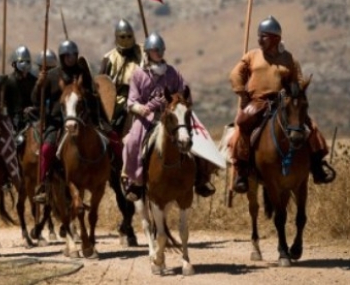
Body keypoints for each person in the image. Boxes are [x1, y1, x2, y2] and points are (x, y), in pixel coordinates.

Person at [229, 16, 334, 193]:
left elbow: (298, 81)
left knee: (310, 127)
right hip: (257, 102)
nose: (259, 39)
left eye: (264, 36)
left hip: (283, 102)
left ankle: (317, 166)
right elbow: (235, 73)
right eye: (259, 36)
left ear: (275, 38)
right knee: (242, 124)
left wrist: (294, 92)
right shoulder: (252, 56)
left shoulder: (288, 59)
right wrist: (242, 92)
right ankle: (242, 170)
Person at [121, 33, 215, 201]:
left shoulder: (172, 73)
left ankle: (202, 178)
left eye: (161, 49)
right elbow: (131, 102)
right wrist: (149, 106)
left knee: (199, 136)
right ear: (148, 51)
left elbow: (185, 92)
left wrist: (174, 101)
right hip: (148, 118)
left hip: (173, 117)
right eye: (156, 50)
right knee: (131, 141)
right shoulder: (138, 74)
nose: (159, 52)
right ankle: (136, 181)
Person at [31, 40, 98, 203]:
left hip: (81, 119)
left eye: (73, 54)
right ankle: (43, 186)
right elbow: (35, 100)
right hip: (57, 121)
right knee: (46, 149)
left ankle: (111, 175)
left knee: (104, 143)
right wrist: (39, 84)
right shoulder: (52, 75)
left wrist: (85, 92)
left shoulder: (83, 73)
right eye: (67, 55)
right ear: (62, 57)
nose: (71, 58)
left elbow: (92, 94)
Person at [99, 19, 144, 136]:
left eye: (129, 36)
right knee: (114, 126)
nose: (126, 40)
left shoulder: (143, 53)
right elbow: (101, 85)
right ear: (117, 37)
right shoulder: (109, 58)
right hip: (119, 101)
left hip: (143, 98)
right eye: (123, 37)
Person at [0, 46, 37, 134]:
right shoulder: (8, 81)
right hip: (13, 118)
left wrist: (33, 108)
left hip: (32, 117)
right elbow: (0, 102)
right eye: (21, 61)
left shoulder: (34, 81)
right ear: (15, 64)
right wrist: (0, 86)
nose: (25, 64)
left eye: (27, 61)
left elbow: (39, 101)